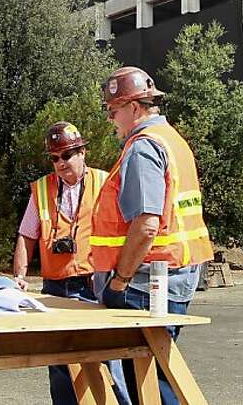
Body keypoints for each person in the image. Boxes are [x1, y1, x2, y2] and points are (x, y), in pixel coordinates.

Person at [92, 66, 213, 405]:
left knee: (148, 383)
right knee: (158, 374)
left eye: (113, 110)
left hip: (144, 284)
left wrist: (119, 281)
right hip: (173, 277)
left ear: (134, 107)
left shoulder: (143, 148)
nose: (110, 118)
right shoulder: (173, 141)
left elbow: (146, 225)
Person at [13, 122, 127, 405]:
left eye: (67, 155)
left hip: (94, 285)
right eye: (55, 158)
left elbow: (127, 231)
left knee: (108, 363)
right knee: (60, 365)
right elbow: (27, 236)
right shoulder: (42, 189)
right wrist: (19, 276)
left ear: (82, 152)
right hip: (55, 289)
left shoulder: (105, 182)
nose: (61, 163)